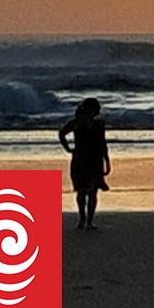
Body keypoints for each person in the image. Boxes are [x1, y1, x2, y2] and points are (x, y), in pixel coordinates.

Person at [59, 98, 111, 230]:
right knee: (81, 191)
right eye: (88, 108)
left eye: (93, 109)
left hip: (95, 159)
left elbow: (102, 143)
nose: (90, 111)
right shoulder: (76, 123)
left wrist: (107, 160)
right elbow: (62, 133)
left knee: (93, 192)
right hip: (80, 159)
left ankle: (90, 220)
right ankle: (82, 218)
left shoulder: (99, 124)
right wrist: (67, 148)